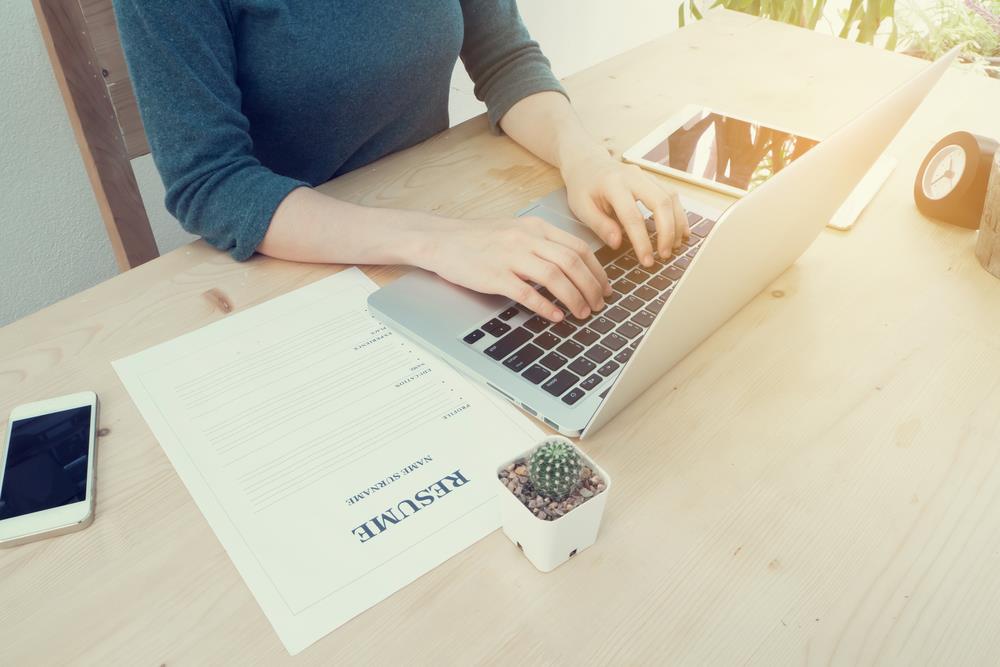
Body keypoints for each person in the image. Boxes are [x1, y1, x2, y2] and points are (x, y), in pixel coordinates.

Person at [114, 0, 689, 323]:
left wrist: (583, 157)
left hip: (454, 223)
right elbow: (212, 182)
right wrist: (441, 243)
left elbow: (504, 57)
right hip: (297, 273)